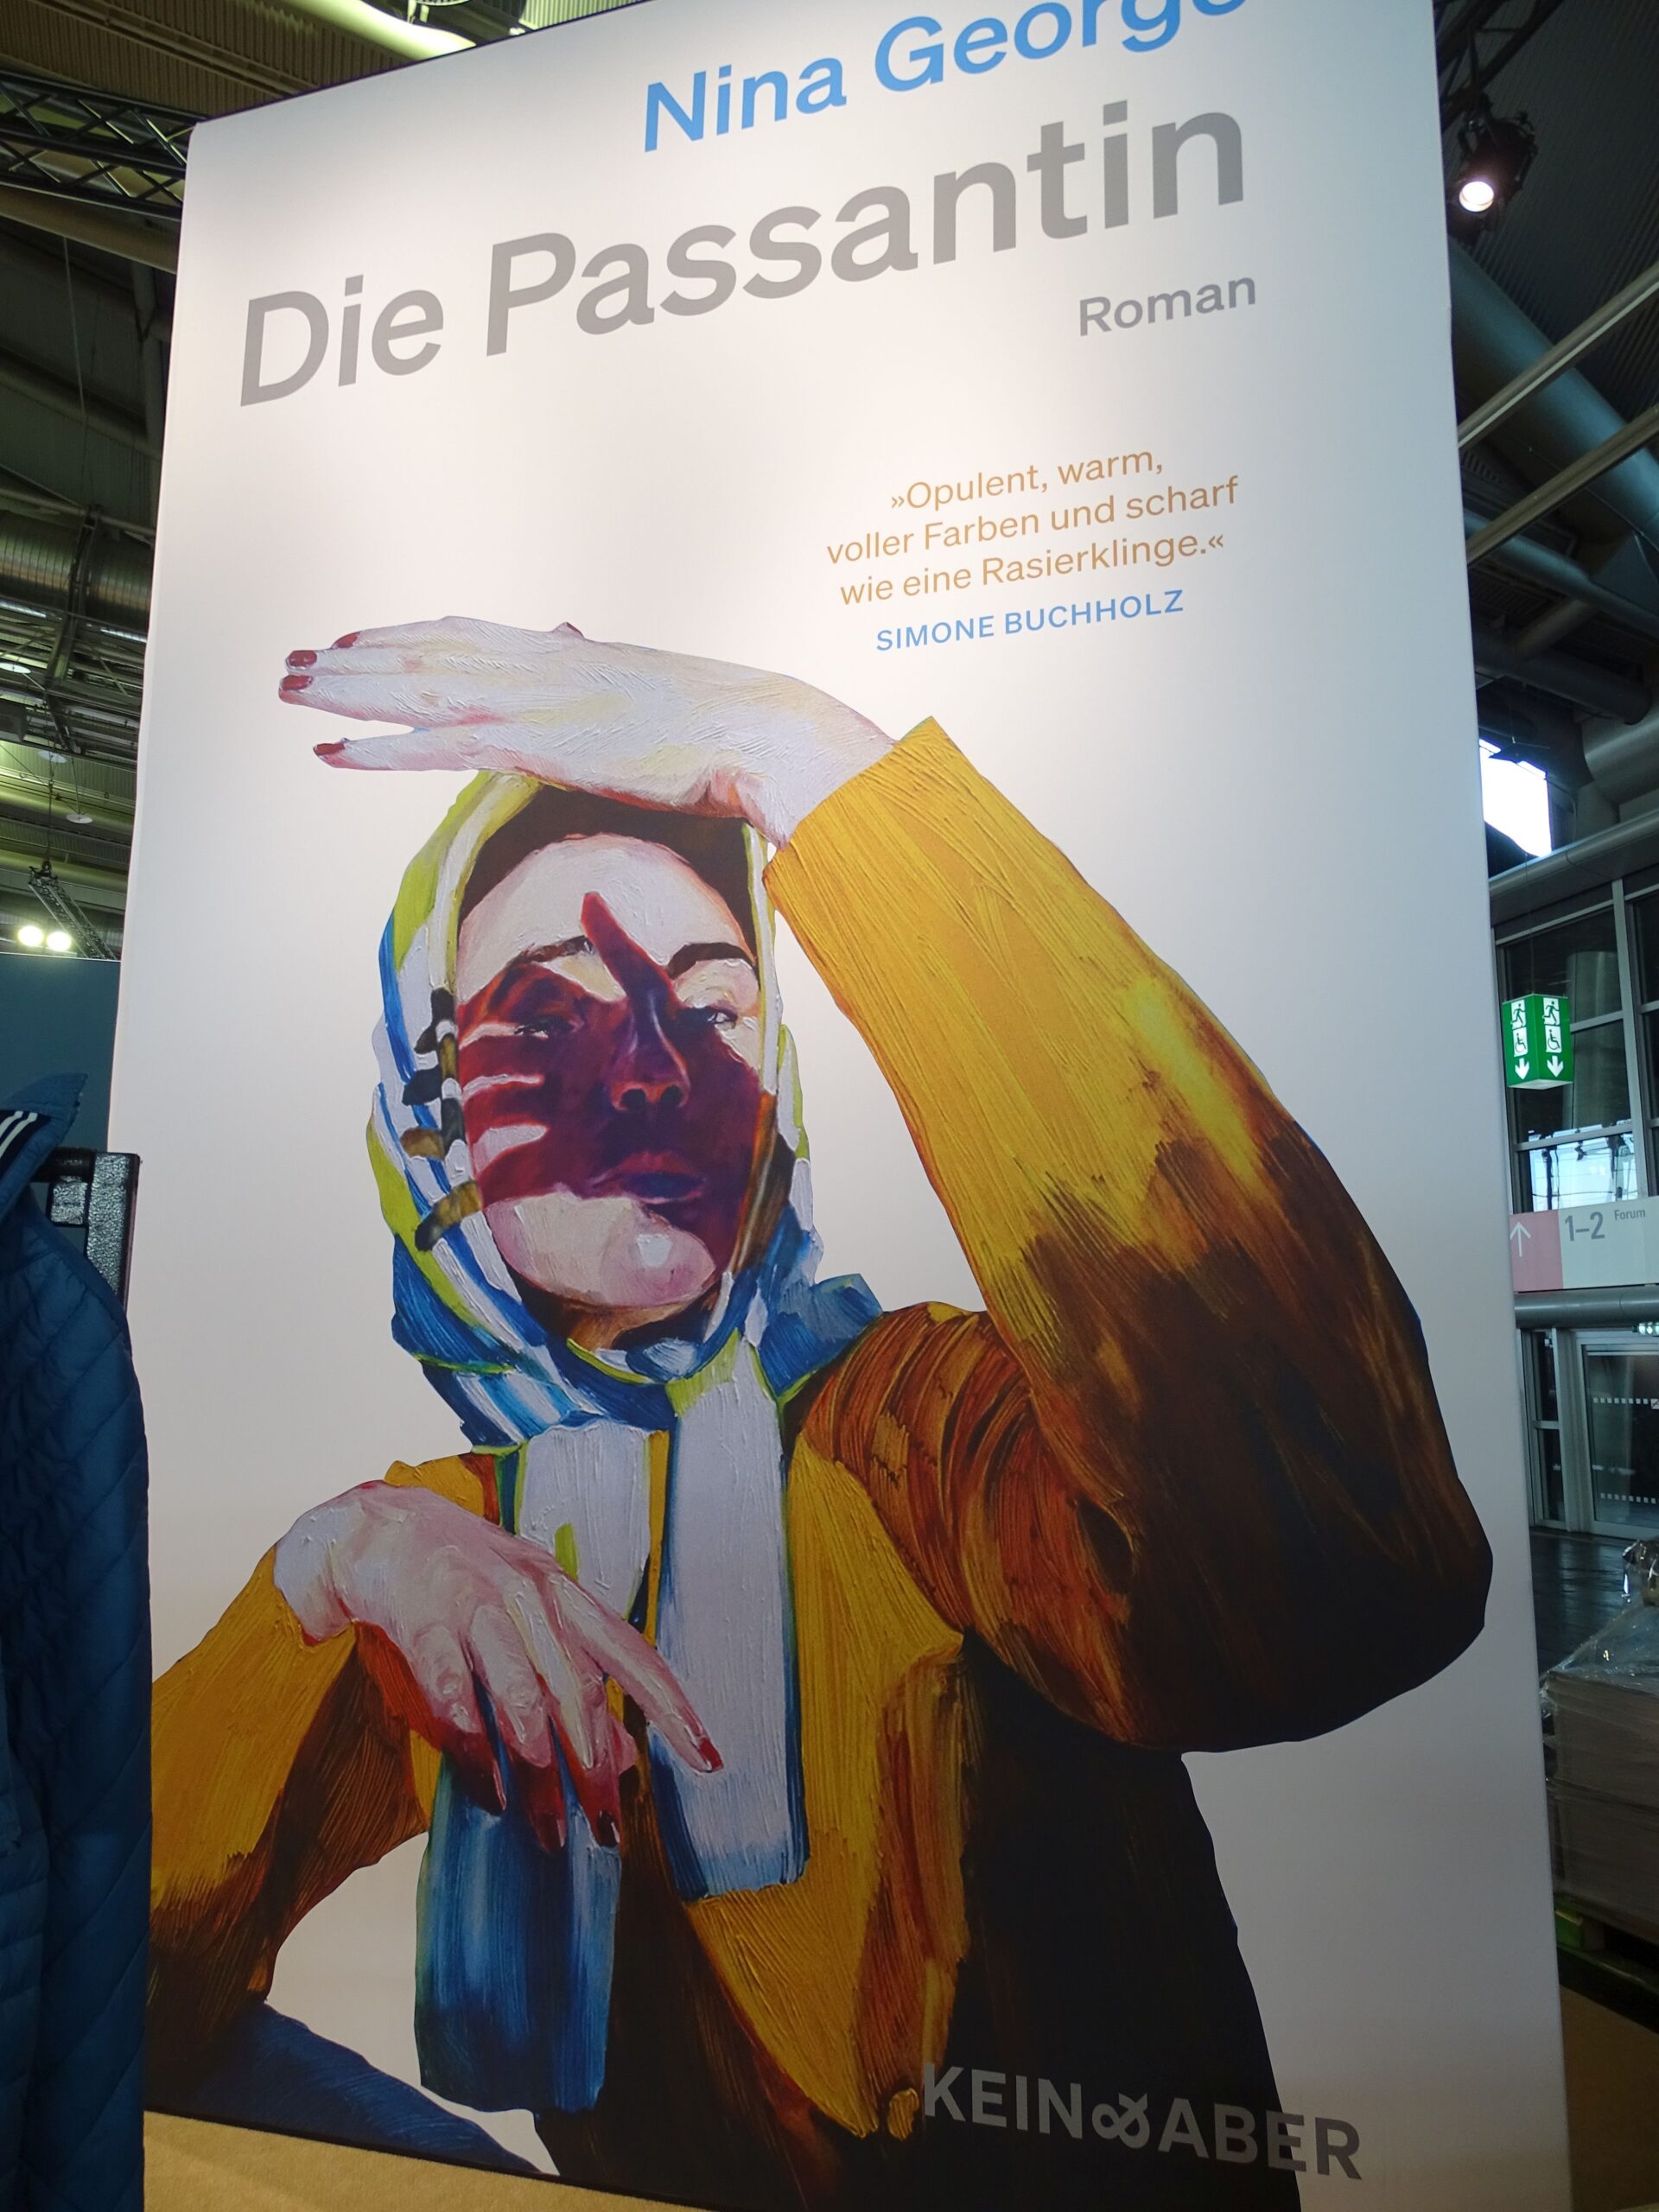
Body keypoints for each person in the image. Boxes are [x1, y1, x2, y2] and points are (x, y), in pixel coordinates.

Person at [149, 619, 1492, 2210]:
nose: (654, 1075)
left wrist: (806, 765)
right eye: (549, 1018)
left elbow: (1342, 1569)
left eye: (715, 1013)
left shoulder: (912, 1426)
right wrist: (331, 1565)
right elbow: (109, 1974)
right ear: (428, 1114)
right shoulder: (455, 1549)